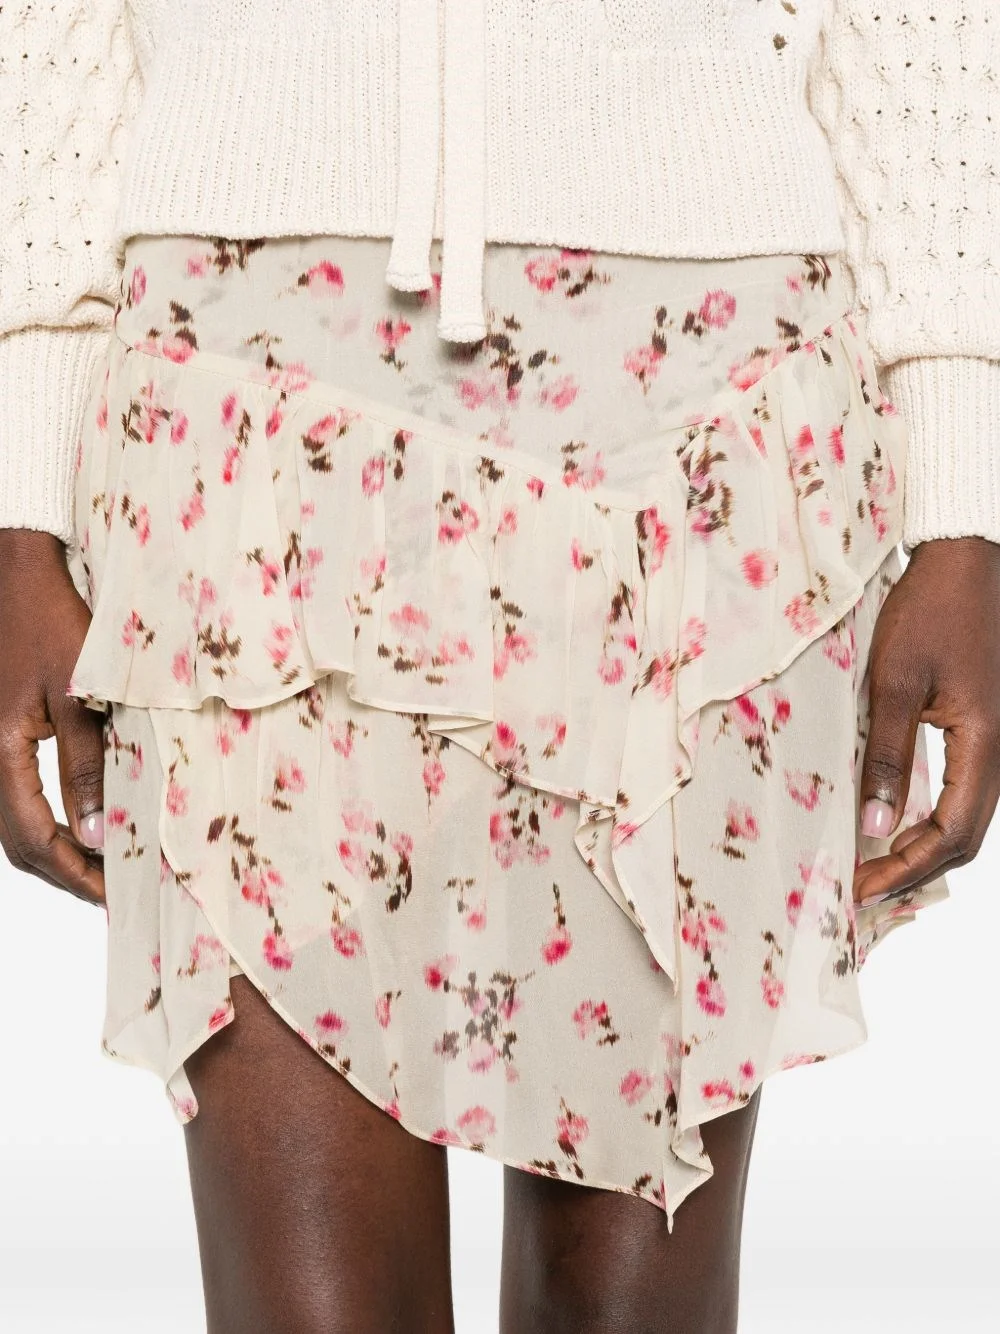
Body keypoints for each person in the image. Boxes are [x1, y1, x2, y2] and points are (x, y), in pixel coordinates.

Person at [0, 3, 996, 1331]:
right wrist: (19, 482)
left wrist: (965, 474)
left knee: (630, 1315)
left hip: (703, 412)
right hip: (240, 398)